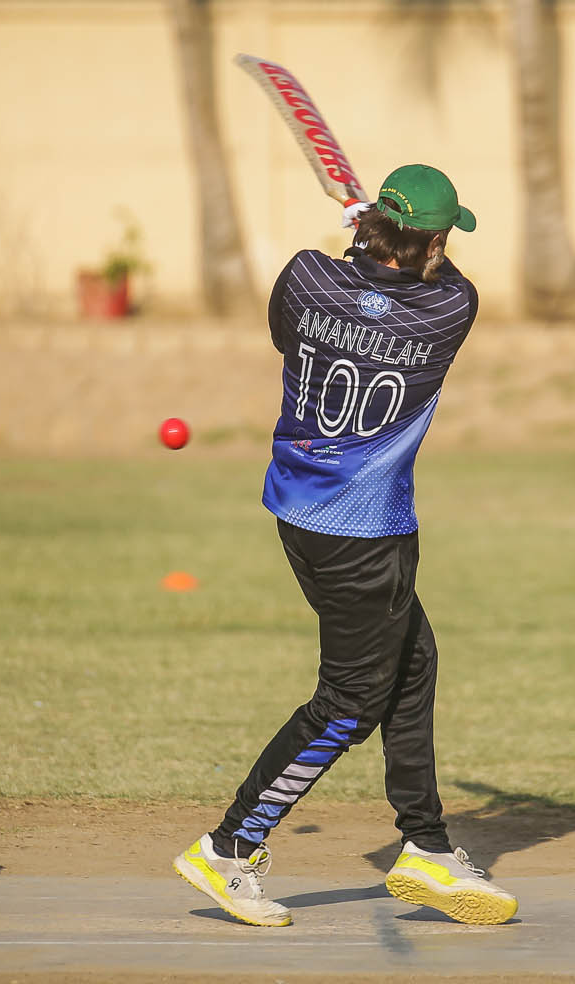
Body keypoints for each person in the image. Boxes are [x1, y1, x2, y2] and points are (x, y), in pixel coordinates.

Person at [172, 164, 517, 928]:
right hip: (366, 535)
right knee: (346, 705)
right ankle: (229, 846)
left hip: (299, 516)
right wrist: (387, 238)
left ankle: (425, 843)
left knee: (413, 661)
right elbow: (437, 280)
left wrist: (367, 237)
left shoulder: (304, 278)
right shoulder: (449, 309)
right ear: (432, 243)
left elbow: (300, 319)